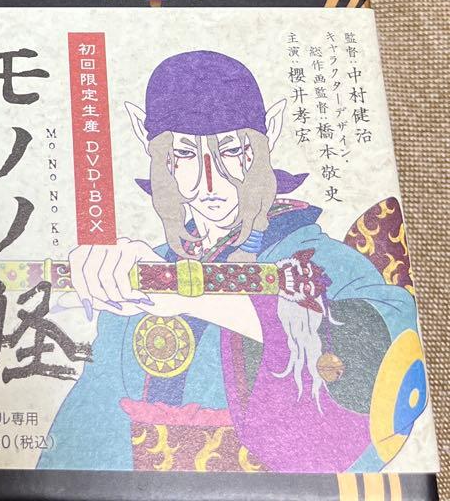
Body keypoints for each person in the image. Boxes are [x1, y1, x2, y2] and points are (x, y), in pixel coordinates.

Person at [40, 50, 427, 473]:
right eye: (184, 154)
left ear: (269, 133)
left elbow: (384, 355)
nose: (210, 181)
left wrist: (187, 294)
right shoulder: (150, 271)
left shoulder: (318, 259)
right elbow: (91, 428)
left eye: (229, 150)